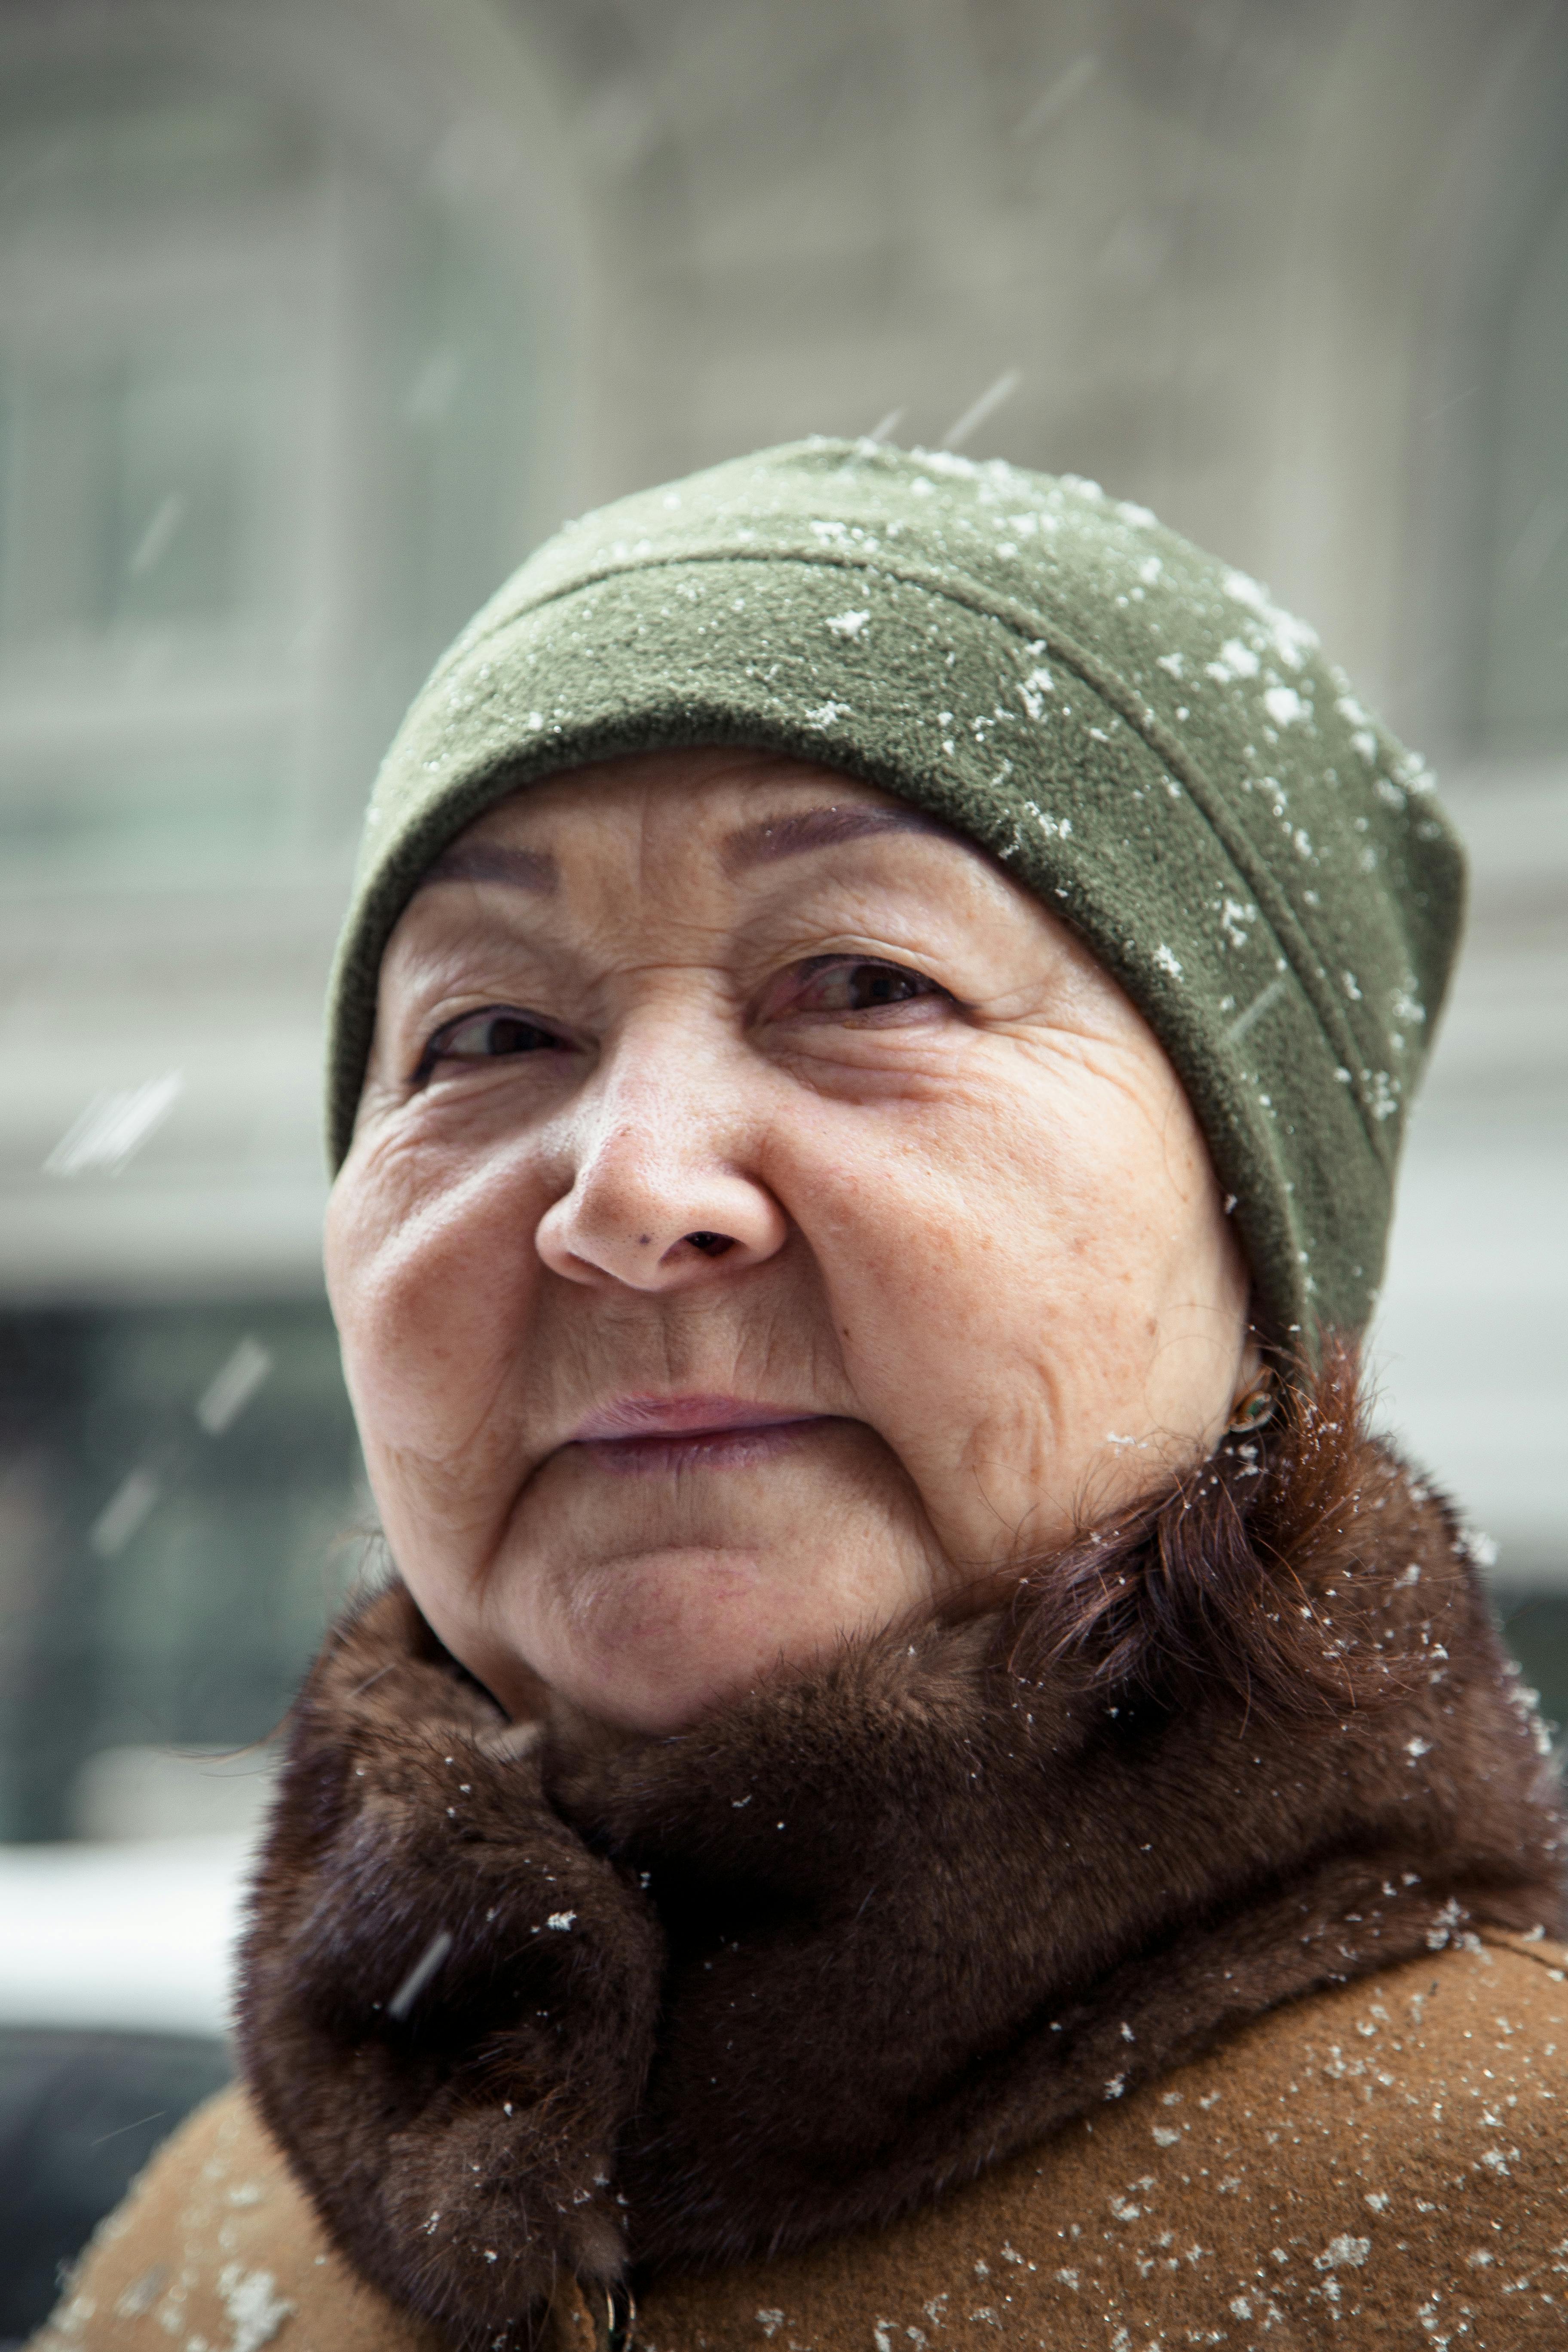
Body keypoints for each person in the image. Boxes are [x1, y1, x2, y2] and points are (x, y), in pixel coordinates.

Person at [40, 442, 1565, 2352]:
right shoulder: (198, 2269)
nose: (631, 1189)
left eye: (865, 981)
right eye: (491, 1032)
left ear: (1266, 1263)